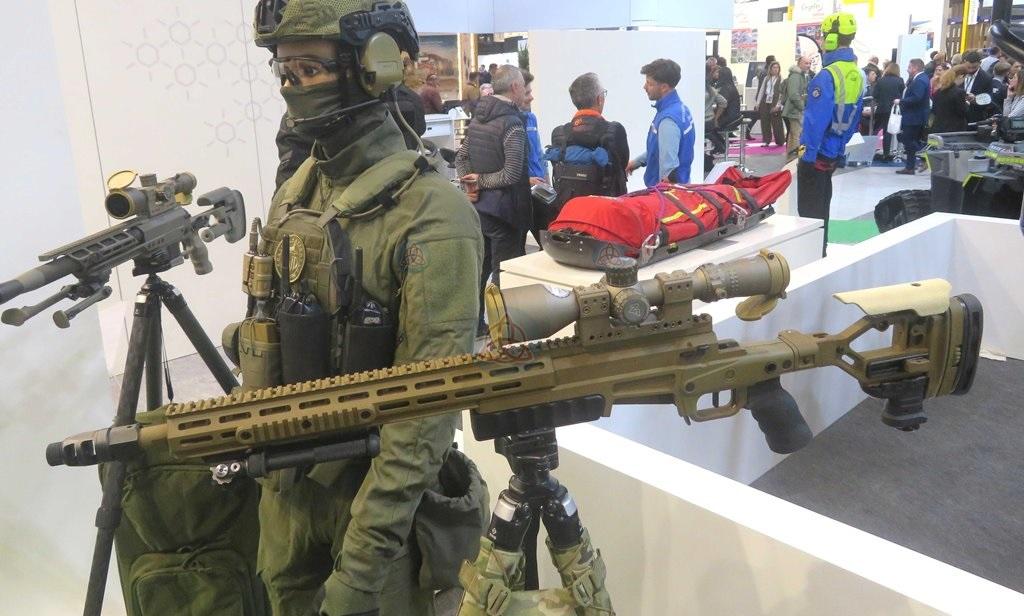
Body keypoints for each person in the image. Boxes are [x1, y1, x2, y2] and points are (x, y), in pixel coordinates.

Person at [252, 2, 487, 614]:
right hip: (288, 496)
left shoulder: (430, 213)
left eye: (310, 69)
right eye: (284, 72)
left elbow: (425, 412)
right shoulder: (298, 191)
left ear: (372, 67)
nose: (293, 88)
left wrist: (361, 568)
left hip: (376, 509)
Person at [455, 65, 531, 334]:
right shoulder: (512, 123)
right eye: (524, 87)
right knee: (505, 274)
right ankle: (505, 330)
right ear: (514, 87)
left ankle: (475, 325)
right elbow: (512, 173)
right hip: (507, 212)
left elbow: (461, 157)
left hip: (480, 210)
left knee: (480, 270)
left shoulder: (478, 119)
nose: (527, 93)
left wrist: (469, 185)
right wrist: (478, 181)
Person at [797, 11, 864, 257]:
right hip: (834, 152)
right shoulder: (856, 74)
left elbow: (815, 123)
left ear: (832, 39)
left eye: (824, 37)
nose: (822, 41)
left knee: (809, 211)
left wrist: (806, 156)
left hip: (816, 155)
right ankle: (821, 251)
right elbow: (855, 118)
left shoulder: (826, 76)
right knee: (823, 205)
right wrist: (839, 148)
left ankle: (811, 257)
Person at [544, 72, 629, 221]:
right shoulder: (614, 131)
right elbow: (622, 165)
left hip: (569, 214)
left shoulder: (559, 134)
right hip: (606, 216)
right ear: (599, 99)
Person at [626, 58, 695, 186]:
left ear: (664, 87)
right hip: (682, 186)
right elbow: (660, 148)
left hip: (665, 193)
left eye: (649, 83)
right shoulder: (681, 109)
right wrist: (637, 162)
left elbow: (668, 172)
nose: (644, 87)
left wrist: (664, 193)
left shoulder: (668, 120)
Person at [895, 58, 930, 175]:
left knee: (909, 140)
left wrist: (901, 101)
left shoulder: (920, 80)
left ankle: (925, 157)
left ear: (915, 68)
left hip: (914, 117)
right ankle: (910, 166)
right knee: (909, 140)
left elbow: (917, 97)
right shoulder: (919, 79)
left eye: (909, 67)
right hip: (914, 116)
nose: (907, 70)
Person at [873, 61, 905, 160]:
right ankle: (886, 153)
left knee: (875, 130)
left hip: (881, 109)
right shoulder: (900, 81)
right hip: (892, 109)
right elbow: (902, 95)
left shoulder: (881, 80)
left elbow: (875, 94)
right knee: (888, 132)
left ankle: (870, 150)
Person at [783, 56, 812, 157]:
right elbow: (793, 95)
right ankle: (798, 158)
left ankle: (791, 157)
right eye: (806, 63)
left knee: (793, 135)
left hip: (795, 110)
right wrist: (802, 107)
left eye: (809, 63)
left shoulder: (800, 75)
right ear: (799, 63)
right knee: (798, 136)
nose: (808, 65)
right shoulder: (796, 76)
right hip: (795, 110)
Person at [930, 66, 969, 134]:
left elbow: (934, 110)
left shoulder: (939, 91)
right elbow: (962, 112)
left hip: (938, 127)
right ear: (961, 76)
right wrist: (967, 103)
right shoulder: (959, 92)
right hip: (954, 130)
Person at [755, 61, 785, 146]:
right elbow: (761, 91)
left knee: (777, 122)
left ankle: (780, 141)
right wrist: (758, 103)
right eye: (774, 67)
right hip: (765, 101)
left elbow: (782, 94)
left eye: (777, 68)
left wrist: (779, 105)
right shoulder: (766, 78)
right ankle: (766, 140)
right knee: (765, 121)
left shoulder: (781, 79)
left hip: (775, 102)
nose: (776, 69)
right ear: (770, 69)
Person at [961, 50, 995, 123]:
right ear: (964, 62)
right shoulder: (959, 74)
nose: (971, 70)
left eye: (974, 67)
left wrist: (976, 99)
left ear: (980, 63)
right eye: (968, 67)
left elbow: (989, 99)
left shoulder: (986, 78)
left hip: (974, 117)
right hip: (958, 116)